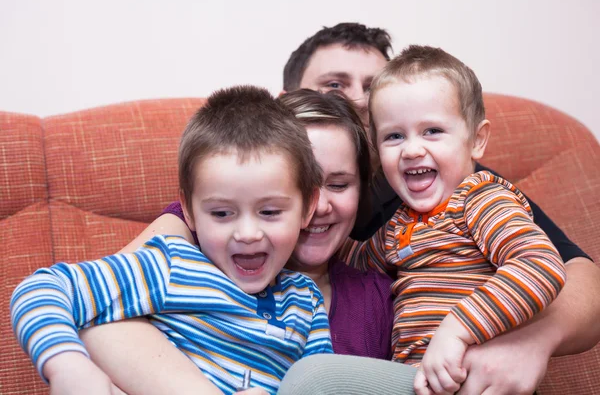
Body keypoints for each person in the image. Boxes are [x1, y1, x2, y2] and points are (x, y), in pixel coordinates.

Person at [82, 23, 600, 395]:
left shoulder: (451, 191)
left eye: (373, 93)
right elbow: (101, 301)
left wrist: (528, 341)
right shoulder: (228, 220)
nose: (354, 103)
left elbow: (569, 273)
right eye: (334, 86)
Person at [10, 86, 334, 395]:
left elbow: (321, 382)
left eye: (269, 211)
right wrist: (67, 365)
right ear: (189, 212)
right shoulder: (172, 266)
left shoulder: (306, 301)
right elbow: (42, 289)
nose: (247, 233)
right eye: (222, 214)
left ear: (307, 207)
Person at [342, 44, 567, 394]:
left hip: (479, 379)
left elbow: (540, 265)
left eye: (432, 130)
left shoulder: (481, 198)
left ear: (477, 140)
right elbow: (348, 260)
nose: (412, 149)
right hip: (418, 379)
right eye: (394, 136)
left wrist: (458, 328)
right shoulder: (399, 227)